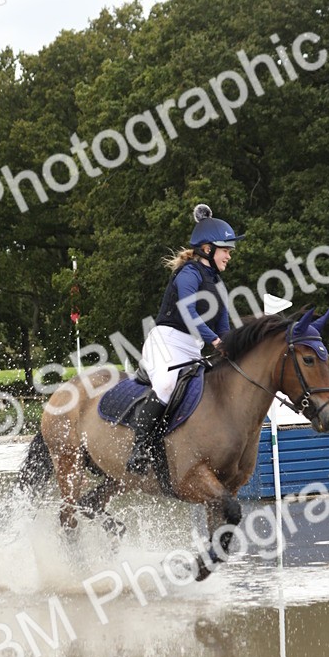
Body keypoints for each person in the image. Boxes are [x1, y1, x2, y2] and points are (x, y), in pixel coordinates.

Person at [126, 203, 244, 474]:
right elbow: (188, 312)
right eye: (226, 251)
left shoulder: (217, 284)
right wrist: (215, 342)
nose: (229, 256)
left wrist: (231, 349)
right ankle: (139, 449)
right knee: (166, 385)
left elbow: (223, 324)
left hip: (192, 348)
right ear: (208, 249)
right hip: (166, 342)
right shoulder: (188, 274)